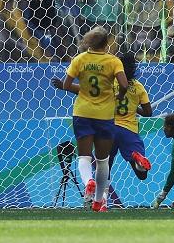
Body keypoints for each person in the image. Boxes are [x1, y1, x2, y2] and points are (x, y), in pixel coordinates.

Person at [53, 53, 153, 210]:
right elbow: (148, 112)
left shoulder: (110, 82)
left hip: (109, 127)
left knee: (104, 166)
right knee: (142, 174)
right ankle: (136, 157)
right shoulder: (139, 87)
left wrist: (63, 86)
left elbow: (86, 92)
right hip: (129, 130)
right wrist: (135, 108)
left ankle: (103, 201)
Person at [62, 26, 128, 212]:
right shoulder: (113, 61)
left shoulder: (80, 59)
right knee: (102, 160)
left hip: (82, 112)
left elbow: (67, 85)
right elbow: (124, 84)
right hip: (104, 115)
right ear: (106, 43)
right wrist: (120, 96)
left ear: (88, 42)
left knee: (84, 156)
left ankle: (88, 181)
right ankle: (99, 201)